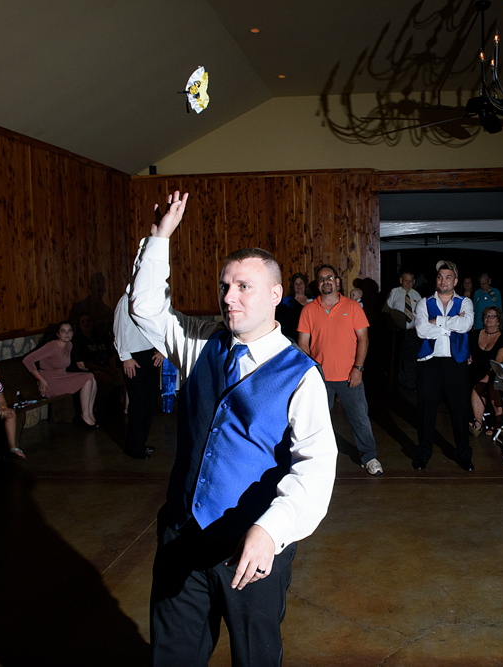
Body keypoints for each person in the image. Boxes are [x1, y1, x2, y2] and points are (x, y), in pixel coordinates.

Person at [129, 191, 337, 667]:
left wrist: (271, 529)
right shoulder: (200, 343)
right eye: (225, 286)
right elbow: (145, 310)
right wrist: (160, 237)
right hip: (182, 534)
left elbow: (317, 467)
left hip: (252, 546)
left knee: (254, 659)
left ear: (275, 295)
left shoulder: (301, 374)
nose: (228, 298)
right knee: (172, 655)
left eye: (243, 287)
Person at [298, 265, 383, 475]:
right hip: (320, 378)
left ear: (337, 282)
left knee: (360, 419)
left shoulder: (353, 306)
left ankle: (369, 457)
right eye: (321, 279)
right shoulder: (308, 310)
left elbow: (363, 338)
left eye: (329, 278)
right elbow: (303, 344)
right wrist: (311, 371)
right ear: (317, 284)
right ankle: (314, 459)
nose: (325, 281)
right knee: (315, 421)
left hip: (349, 376)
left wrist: (358, 368)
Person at [414, 260, 474, 471]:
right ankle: (423, 453)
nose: (443, 280)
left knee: (459, 410)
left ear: (455, 281)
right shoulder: (424, 303)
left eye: (448, 277)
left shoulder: (465, 302)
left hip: (456, 362)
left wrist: (436, 322)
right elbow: (421, 331)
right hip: (429, 362)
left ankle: (464, 454)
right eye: (440, 277)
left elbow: (466, 324)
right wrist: (451, 323)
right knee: (425, 410)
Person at [113, 293, 165, 460]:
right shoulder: (127, 299)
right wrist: (125, 356)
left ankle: (140, 442)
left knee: (149, 401)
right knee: (138, 402)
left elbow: (161, 324)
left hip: (150, 352)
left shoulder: (153, 297)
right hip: (133, 356)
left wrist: (163, 349)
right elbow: (119, 327)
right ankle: (134, 447)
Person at [22, 321, 98, 427]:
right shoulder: (51, 346)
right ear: (58, 334)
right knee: (88, 378)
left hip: (62, 376)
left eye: (69, 330)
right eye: (63, 331)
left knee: (91, 377)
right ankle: (85, 415)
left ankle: (89, 414)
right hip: (50, 382)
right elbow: (27, 360)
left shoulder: (69, 345)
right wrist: (40, 379)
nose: (67, 333)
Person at [468, 306, 503, 438]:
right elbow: (463, 347)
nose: (489, 319)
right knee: (475, 381)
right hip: (475, 370)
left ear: (499, 321)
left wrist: (486, 378)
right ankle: (478, 421)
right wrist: (466, 355)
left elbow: (497, 364)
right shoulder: (474, 335)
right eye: (487, 316)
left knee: (492, 383)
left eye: (493, 316)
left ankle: (499, 420)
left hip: (495, 372)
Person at [384, 270, 421, 392]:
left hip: (412, 333)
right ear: (401, 280)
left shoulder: (417, 296)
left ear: (414, 282)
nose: (408, 283)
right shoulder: (394, 292)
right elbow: (385, 311)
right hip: (397, 332)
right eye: (406, 280)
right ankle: (394, 385)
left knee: (410, 360)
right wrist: (391, 327)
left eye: (411, 281)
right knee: (395, 359)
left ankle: (409, 385)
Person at [276, 272, 310, 340]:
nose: (299, 286)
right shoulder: (287, 302)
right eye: (296, 283)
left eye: (301, 283)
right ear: (293, 286)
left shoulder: (313, 300)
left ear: (305, 285)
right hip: (294, 338)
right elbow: (282, 324)